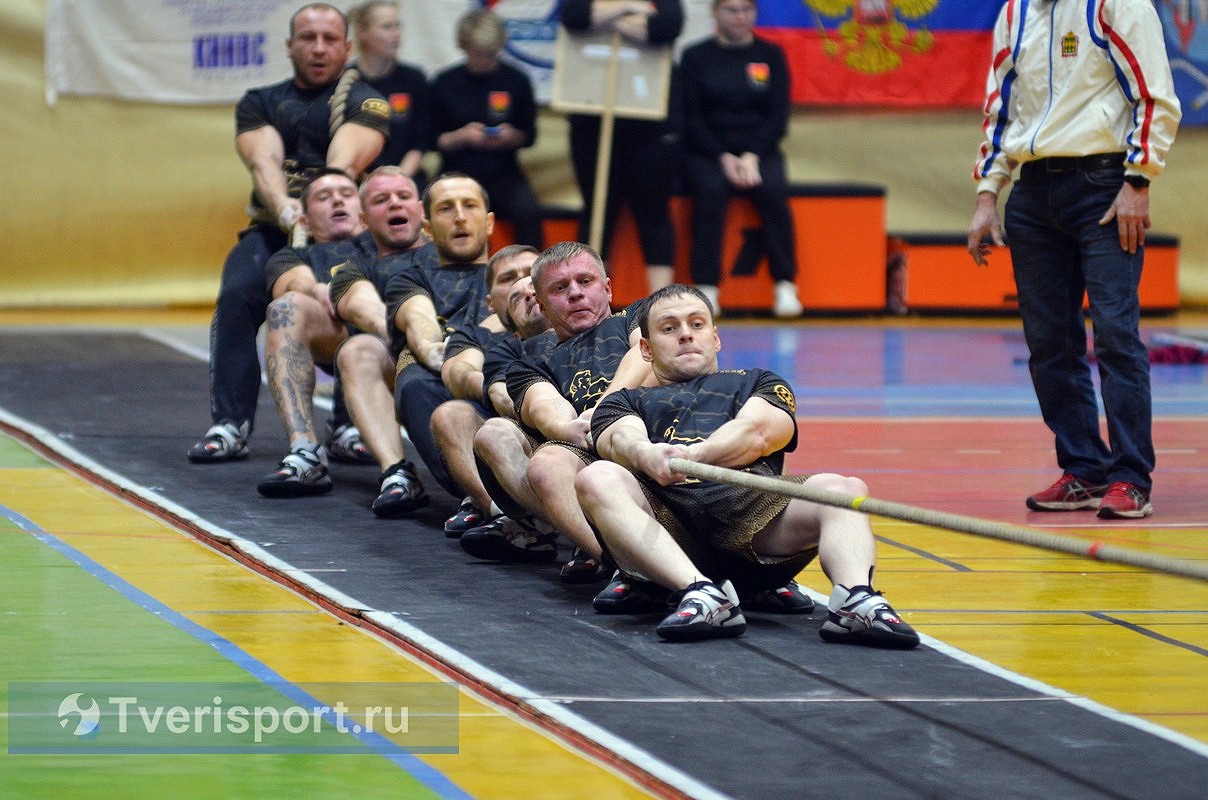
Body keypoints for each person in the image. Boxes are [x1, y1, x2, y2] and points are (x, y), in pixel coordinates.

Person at [576, 284, 918, 646]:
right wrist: (647, 455)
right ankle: (699, 593)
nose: (686, 334)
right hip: (667, 523)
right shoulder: (624, 401)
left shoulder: (759, 382)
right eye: (669, 328)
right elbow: (619, 439)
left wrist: (696, 456)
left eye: (697, 324)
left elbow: (758, 433)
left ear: (716, 337)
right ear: (645, 348)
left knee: (843, 489)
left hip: (752, 518)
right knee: (597, 476)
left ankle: (854, 601)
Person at [966, 0, 1181, 520]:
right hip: (1034, 192)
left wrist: (1138, 181)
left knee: (1114, 334)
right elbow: (1001, 108)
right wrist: (988, 194)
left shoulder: (1118, 5)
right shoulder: (1015, 13)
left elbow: (1155, 97)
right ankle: (1084, 468)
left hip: (1105, 184)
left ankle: (1131, 477)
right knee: (1048, 343)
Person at [188, 3, 389, 464]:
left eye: (329, 39)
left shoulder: (366, 101)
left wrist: (318, 214)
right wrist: (284, 210)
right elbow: (263, 161)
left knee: (358, 303)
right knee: (238, 292)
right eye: (307, 38)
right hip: (274, 230)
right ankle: (230, 422)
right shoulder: (259, 101)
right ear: (290, 45)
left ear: (346, 46)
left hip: (339, 235)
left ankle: (350, 425)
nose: (318, 48)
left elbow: (345, 163)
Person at [259, 166, 432, 516]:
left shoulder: (394, 240)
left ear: (364, 212)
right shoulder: (298, 256)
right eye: (324, 196)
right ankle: (306, 451)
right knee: (286, 309)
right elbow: (294, 285)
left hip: (411, 340)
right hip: (346, 335)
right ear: (305, 222)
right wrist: (323, 289)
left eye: (347, 193)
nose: (338, 199)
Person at [679, 0, 802, 319]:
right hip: (708, 150)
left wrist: (752, 155)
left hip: (758, 149)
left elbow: (778, 115)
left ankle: (785, 283)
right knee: (709, 191)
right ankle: (707, 287)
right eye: (731, 10)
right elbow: (690, 117)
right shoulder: (695, 57)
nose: (739, 17)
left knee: (774, 191)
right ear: (715, 13)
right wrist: (722, 156)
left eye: (746, 10)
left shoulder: (770, 55)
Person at [559, 0, 684, 294]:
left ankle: (660, 300)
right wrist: (629, 8)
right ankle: (590, 296)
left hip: (651, 121)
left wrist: (603, 17)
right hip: (593, 117)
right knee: (597, 208)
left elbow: (665, 27)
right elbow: (574, 18)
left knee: (653, 210)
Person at [385, 173, 496, 502]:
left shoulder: (514, 269)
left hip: (509, 378)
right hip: (443, 380)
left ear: (489, 223)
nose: (460, 216)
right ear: (428, 228)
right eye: (446, 208)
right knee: (414, 380)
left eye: (470, 206)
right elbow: (417, 316)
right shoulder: (410, 278)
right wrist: (433, 350)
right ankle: (481, 499)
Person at [431, 247, 554, 536]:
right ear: (490, 302)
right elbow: (457, 372)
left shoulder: (589, 325)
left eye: (532, 277)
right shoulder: (492, 344)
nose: (526, 288)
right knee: (453, 414)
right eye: (510, 280)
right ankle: (507, 514)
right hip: (520, 423)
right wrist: (496, 387)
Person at [428, 9, 543, 248]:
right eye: (478, 53)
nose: (485, 60)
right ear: (464, 46)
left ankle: (533, 276)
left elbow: (529, 136)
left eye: (491, 54)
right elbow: (431, 140)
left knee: (529, 210)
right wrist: (462, 137)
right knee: (450, 211)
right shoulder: (444, 82)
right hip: (456, 173)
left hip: (504, 174)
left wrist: (512, 137)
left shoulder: (516, 80)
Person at [348, 1, 431, 189]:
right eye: (387, 27)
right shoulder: (345, 81)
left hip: (406, 177)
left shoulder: (414, 79)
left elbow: (421, 141)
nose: (396, 34)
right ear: (363, 33)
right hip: (357, 179)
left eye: (398, 26)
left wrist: (399, 180)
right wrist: (367, 182)